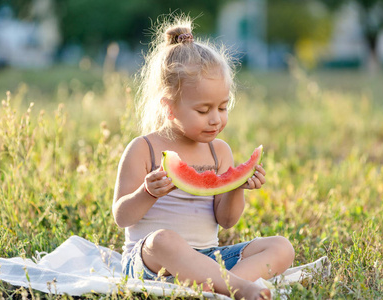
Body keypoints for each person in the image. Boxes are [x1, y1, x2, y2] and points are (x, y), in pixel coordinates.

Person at [112, 15, 294, 300]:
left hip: (210, 256)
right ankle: (238, 287)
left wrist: (237, 186)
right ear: (169, 107)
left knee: (282, 247)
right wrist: (147, 192)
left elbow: (227, 220)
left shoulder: (219, 151)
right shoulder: (143, 148)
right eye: (203, 110)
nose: (216, 119)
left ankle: (210, 284)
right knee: (163, 239)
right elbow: (121, 216)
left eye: (223, 107)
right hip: (150, 262)